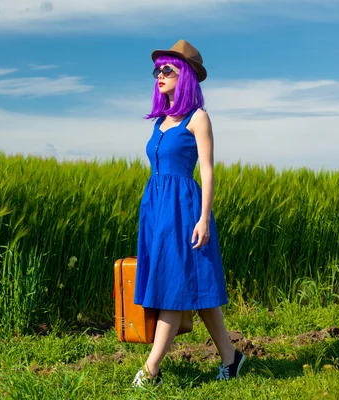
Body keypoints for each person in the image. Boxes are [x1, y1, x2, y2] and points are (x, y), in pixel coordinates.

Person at [132, 39, 246, 387]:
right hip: (156, 207)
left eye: (167, 69)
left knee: (174, 285)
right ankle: (231, 358)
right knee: (197, 286)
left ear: (185, 77)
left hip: (185, 208)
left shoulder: (198, 119)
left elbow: (208, 171)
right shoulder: (160, 122)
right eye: (157, 70)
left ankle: (150, 371)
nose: (159, 75)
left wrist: (203, 218)